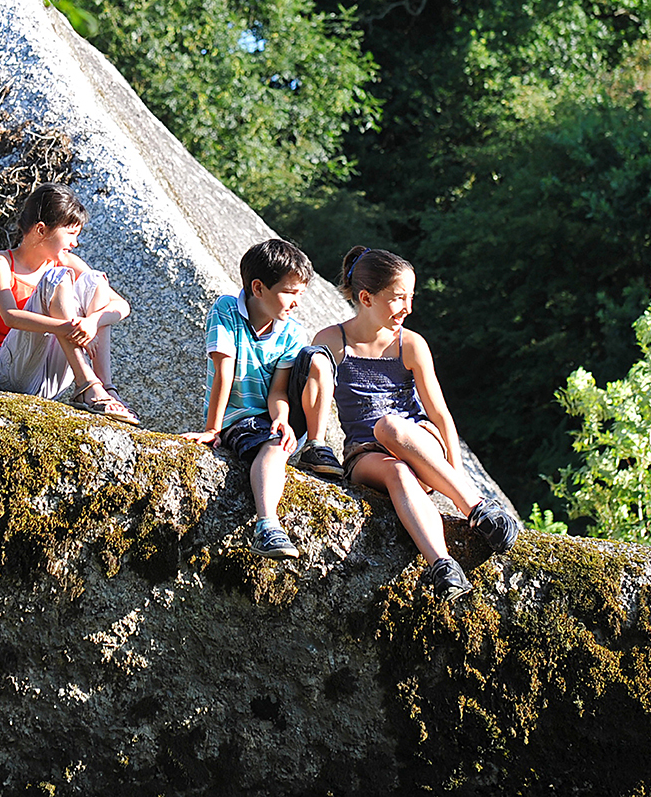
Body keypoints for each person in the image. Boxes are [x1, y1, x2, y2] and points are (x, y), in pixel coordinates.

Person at [311, 246, 521, 599]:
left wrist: (456, 473)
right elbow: (312, 393)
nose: (408, 308)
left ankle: (477, 508)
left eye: (411, 297)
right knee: (396, 471)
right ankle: (443, 566)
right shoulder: (332, 342)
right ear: (366, 297)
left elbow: (439, 414)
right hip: (367, 457)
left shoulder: (410, 344)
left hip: (418, 441)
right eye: (398, 298)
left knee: (390, 427)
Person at [183, 238, 344, 560]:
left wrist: (282, 420)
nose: (296, 302)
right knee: (271, 446)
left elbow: (278, 391)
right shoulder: (227, 309)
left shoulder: (291, 332)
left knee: (318, 358)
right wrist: (213, 429)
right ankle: (267, 526)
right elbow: (224, 372)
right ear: (258, 288)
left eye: (301, 293)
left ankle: (315, 445)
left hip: (274, 415)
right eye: (290, 292)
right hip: (239, 419)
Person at [0, 184, 138, 424]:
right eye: (71, 233)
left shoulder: (68, 261)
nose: (75, 243)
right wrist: (66, 327)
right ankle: (88, 384)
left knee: (94, 281)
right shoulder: (2, 261)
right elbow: (10, 316)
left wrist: (91, 322)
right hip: (6, 371)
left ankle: (103, 387)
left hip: (49, 379)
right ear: (41, 230)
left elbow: (121, 306)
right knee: (56, 279)